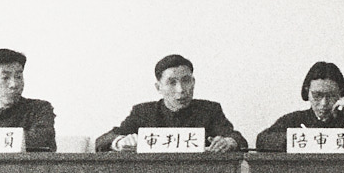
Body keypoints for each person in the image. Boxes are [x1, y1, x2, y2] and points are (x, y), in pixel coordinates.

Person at [96, 54, 246, 153]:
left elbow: (238, 139)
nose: (180, 90)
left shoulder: (209, 110)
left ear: (193, 82)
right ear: (158, 87)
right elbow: (101, 141)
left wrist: (229, 142)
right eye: (172, 82)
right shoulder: (142, 112)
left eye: (186, 81)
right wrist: (120, 142)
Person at [253, 60, 344, 152]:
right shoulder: (294, 119)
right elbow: (262, 140)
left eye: (331, 95)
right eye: (317, 95)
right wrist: (302, 139)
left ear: (341, 94)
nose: (324, 103)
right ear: (307, 92)